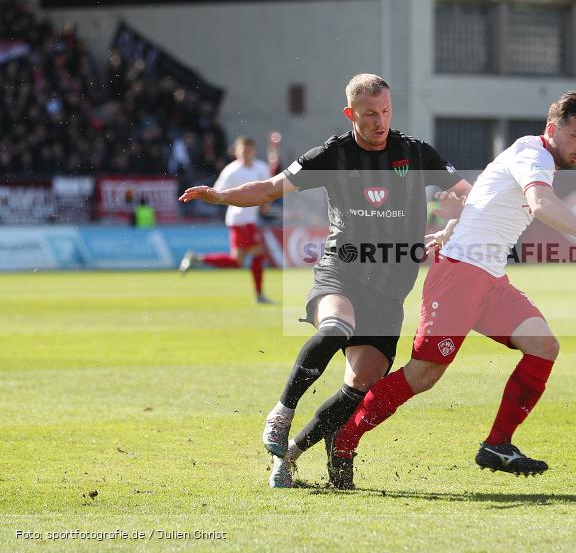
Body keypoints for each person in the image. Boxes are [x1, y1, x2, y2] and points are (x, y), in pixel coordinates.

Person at [327, 91, 576, 488]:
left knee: (544, 346)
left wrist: (453, 227)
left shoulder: (532, 154)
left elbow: (487, 197)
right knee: (423, 375)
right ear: (551, 130)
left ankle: (498, 444)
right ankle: (343, 441)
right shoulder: (535, 155)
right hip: (458, 276)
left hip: (488, 279)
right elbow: (540, 204)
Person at [178, 74, 471, 488]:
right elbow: (271, 188)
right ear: (351, 114)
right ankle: (282, 410)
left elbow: (467, 194)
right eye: (370, 114)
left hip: (390, 290)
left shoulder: (415, 152)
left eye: (386, 111)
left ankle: (293, 454)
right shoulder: (334, 154)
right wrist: (222, 197)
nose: (380, 121)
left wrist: (451, 225)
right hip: (342, 271)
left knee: (363, 383)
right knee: (338, 326)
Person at [179, 136, 274, 303]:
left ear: (255, 151)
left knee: (237, 261)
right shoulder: (231, 171)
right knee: (259, 253)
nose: (246, 154)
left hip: (249, 219)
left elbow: (269, 188)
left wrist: (266, 203)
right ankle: (259, 295)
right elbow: (216, 192)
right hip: (239, 219)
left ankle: (198, 259)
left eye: (249, 150)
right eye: (243, 151)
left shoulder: (262, 167)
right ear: (236, 152)